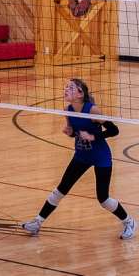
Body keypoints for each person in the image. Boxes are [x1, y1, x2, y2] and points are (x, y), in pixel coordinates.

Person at [22, 79, 135, 240]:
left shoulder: (92, 110)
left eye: (70, 87)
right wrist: (70, 132)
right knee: (61, 190)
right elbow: (76, 133)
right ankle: (37, 222)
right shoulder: (68, 110)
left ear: (80, 93)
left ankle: (129, 221)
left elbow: (114, 130)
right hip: (81, 155)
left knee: (103, 199)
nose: (66, 89)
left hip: (100, 156)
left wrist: (93, 136)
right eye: (65, 87)